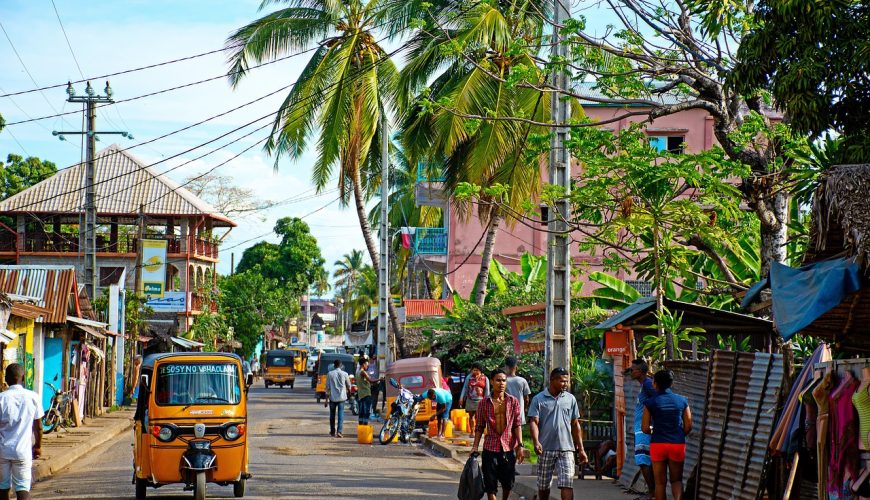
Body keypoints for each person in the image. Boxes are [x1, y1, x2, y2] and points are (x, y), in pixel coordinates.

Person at [529, 367, 587, 500]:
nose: (565, 384)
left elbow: (575, 424)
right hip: (545, 448)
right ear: (552, 380)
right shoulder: (539, 399)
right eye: (562, 381)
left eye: (567, 381)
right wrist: (536, 441)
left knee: (567, 483)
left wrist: (581, 449)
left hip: (566, 448)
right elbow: (534, 422)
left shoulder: (570, 399)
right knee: (543, 486)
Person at [472, 369, 524, 500]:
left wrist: (520, 446)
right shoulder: (484, 403)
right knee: (490, 483)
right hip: (490, 447)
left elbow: (517, 425)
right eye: (498, 380)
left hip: (508, 447)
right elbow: (479, 427)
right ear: (492, 381)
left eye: (504, 380)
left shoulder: (513, 401)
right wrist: (475, 447)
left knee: (508, 482)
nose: (501, 383)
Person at [642, 370, 692, 500]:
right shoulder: (682, 401)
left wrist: (655, 431)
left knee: (660, 483)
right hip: (677, 444)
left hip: (658, 444)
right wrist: (679, 435)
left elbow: (645, 428)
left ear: (655, 383)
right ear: (671, 383)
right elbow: (688, 426)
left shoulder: (650, 402)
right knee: (676, 481)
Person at [0, 364, 44, 500]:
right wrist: (38, 446)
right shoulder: (33, 397)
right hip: (23, 451)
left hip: (2, 450)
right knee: (22, 488)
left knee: (2, 487)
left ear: (6, 379)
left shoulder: (1, 398)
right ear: (23, 378)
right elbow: (39, 427)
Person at [628, 359, 657, 498]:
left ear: (639, 371)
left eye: (633, 369)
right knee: (645, 460)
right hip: (642, 428)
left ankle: (652, 492)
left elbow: (658, 400)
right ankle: (652, 491)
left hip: (644, 429)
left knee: (642, 459)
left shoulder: (647, 384)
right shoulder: (644, 385)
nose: (631, 371)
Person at [459, 363, 490, 434]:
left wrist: (486, 401)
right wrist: (461, 398)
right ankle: (472, 431)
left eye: (477, 370)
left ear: (480, 371)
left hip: (480, 400)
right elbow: (465, 388)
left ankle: (477, 431)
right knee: (471, 416)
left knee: (478, 417)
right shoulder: (469, 377)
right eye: (473, 370)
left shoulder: (485, 378)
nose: (475, 372)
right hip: (470, 399)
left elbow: (487, 390)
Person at [325, 359, 352, 438]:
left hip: (332, 398)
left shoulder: (330, 374)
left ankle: (332, 431)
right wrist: (349, 393)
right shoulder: (345, 374)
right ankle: (339, 432)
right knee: (341, 415)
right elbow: (349, 386)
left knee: (332, 415)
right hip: (342, 398)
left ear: (334, 365)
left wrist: (326, 400)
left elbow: (327, 388)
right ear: (341, 365)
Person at [504, 356, 531, 426]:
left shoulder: (502, 381)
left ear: (506, 367)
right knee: (518, 434)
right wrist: (524, 409)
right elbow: (527, 399)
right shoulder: (522, 381)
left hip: (505, 413)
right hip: (519, 413)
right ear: (516, 367)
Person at [356, 357, 377, 425]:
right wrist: (380, 379)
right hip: (366, 394)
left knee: (361, 412)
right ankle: (364, 426)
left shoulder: (357, 372)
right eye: (367, 365)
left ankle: (361, 427)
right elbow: (371, 380)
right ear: (363, 364)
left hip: (361, 395)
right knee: (367, 411)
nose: (367, 366)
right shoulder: (363, 372)